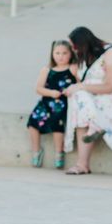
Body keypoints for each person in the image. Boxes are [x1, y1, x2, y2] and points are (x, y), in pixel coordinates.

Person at [63, 27, 112, 175]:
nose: (73, 50)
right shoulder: (84, 56)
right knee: (79, 99)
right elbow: (83, 81)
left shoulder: (111, 54)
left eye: (75, 47)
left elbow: (110, 87)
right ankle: (83, 162)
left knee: (80, 97)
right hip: (92, 99)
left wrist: (80, 86)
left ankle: (82, 163)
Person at [27, 40, 78, 169]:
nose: (60, 56)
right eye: (57, 53)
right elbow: (38, 88)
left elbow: (80, 84)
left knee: (57, 123)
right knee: (32, 123)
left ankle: (58, 152)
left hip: (62, 104)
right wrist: (50, 92)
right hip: (46, 102)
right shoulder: (47, 70)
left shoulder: (72, 69)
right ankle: (36, 151)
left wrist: (71, 90)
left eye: (64, 53)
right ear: (52, 54)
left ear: (70, 54)